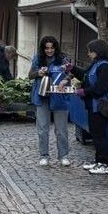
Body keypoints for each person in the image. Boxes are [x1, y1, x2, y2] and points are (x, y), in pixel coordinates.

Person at [67, 40, 108, 176]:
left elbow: (102, 88)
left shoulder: (105, 66)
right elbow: (85, 76)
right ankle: (98, 160)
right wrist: (72, 68)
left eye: (90, 51)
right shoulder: (97, 64)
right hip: (94, 105)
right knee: (95, 133)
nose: (88, 54)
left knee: (99, 135)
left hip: (102, 106)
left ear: (97, 51)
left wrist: (85, 92)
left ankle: (103, 163)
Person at [31, 36, 71, 167]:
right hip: (42, 96)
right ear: (43, 48)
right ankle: (44, 155)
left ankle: (63, 155)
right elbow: (30, 74)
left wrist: (65, 79)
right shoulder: (37, 58)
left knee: (61, 129)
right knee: (42, 128)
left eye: (52, 48)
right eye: (47, 48)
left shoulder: (63, 59)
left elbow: (71, 73)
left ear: (56, 48)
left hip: (59, 97)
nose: (49, 50)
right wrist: (38, 73)